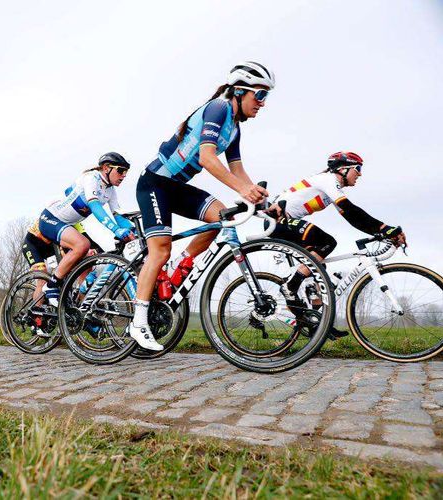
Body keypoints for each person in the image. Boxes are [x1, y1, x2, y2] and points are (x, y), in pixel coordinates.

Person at [131, 62, 274, 351]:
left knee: (223, 216)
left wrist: (262, 201)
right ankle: (139, 321)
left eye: (265, 97)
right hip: (155, 183)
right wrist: (244, 190)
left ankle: (178, 268)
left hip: (177, 188)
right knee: (159, 249)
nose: (262, 104)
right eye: (260, 95)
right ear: (239, 91)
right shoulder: (218, 109)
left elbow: (237, 169)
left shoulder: (234, 129)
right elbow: (208, 159)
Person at [269, 151, 407, 337]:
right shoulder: (327, 180)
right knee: (327, 242)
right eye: (357, 169)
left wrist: (382, 232)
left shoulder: (330, 187)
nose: (360, 174)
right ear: (343, 169)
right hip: (278, 221)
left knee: (318, 273)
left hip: (285, 223)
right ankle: (290, 286)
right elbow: (351, 210)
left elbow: (353, 218)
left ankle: (318, 324)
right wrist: (385, 228)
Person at [37, 152, 136, 305]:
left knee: (89, 255)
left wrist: (133, 231)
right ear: (106, 168)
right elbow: (95, 206)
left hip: (66, 224)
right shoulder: (92, 178)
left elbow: (118, 215)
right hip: (51, 218)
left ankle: (72, 296)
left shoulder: (110, 191)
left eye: (126, 172)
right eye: (121, 171)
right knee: (82, 244)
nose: (123, 176)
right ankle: (51, 286)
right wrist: (116, 230)